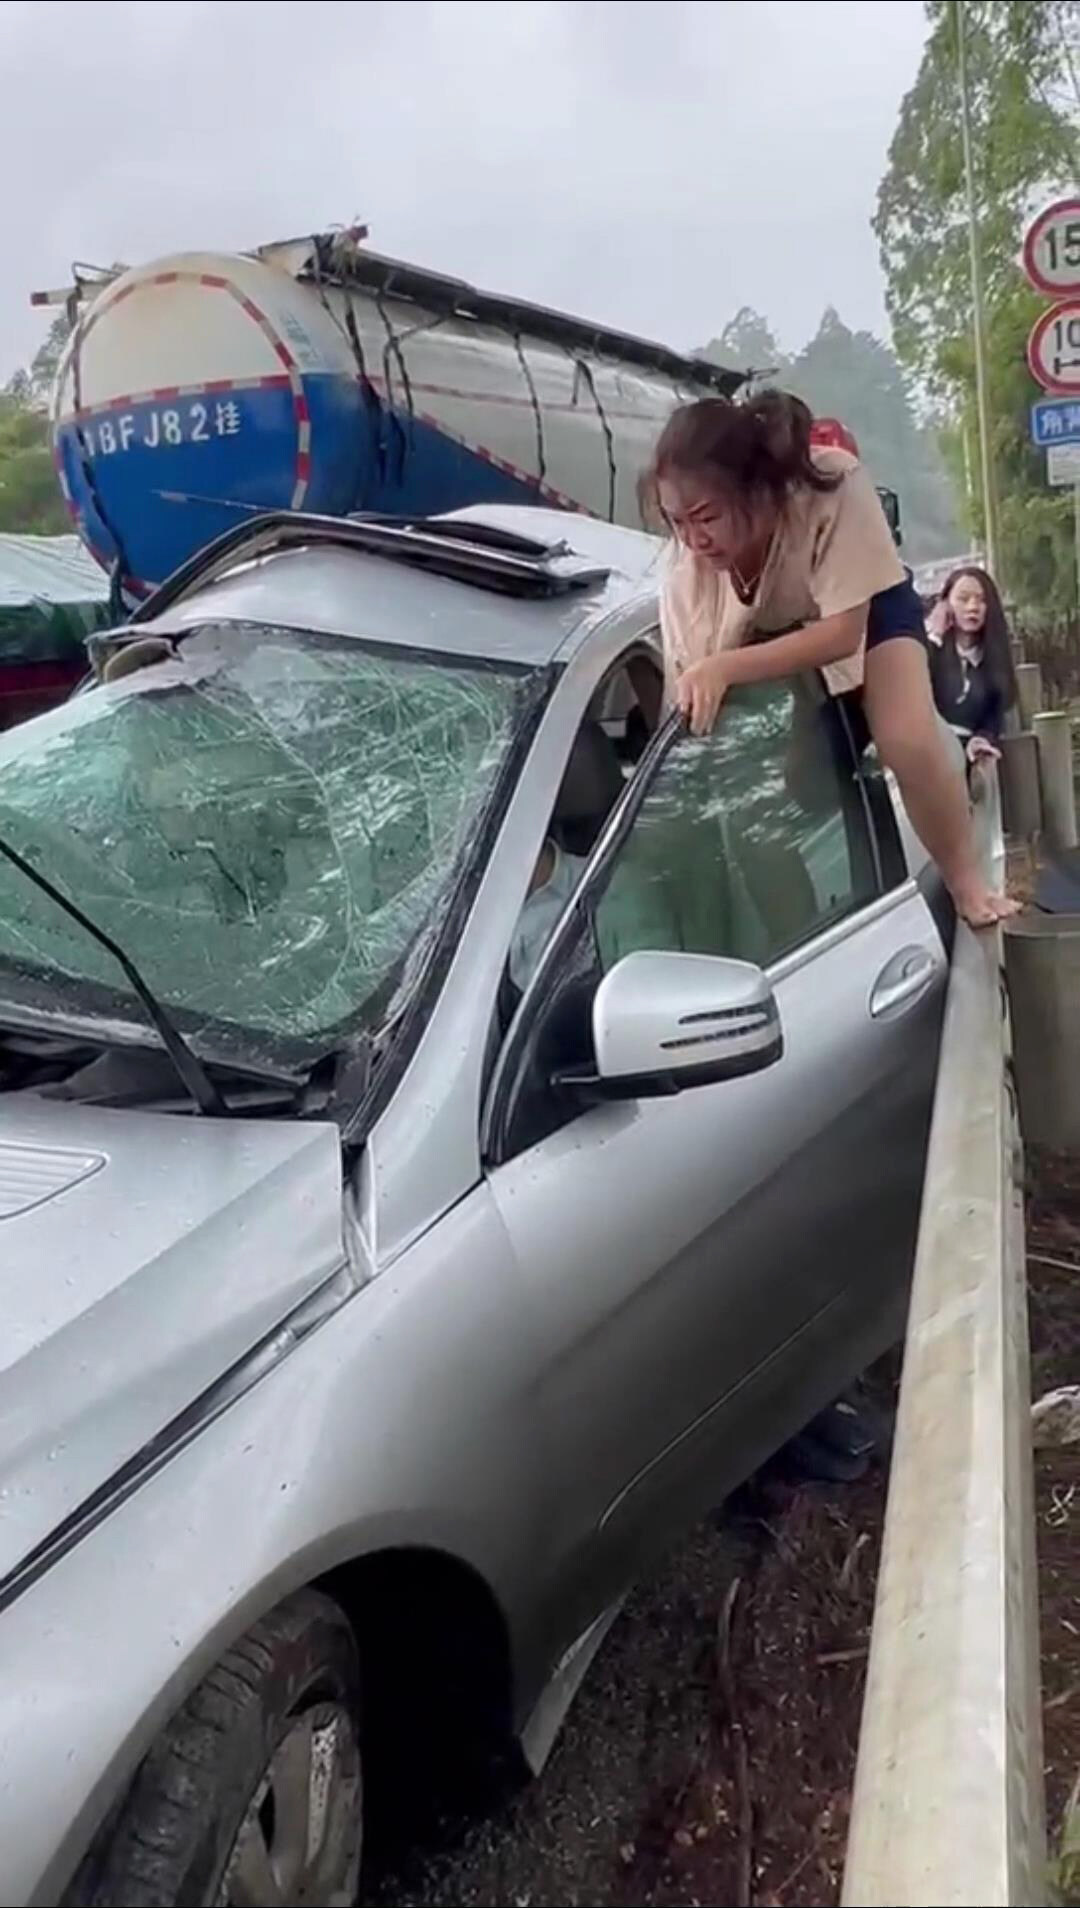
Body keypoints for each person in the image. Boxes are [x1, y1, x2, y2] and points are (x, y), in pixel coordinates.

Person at [644, 391, 1017, 926]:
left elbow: (843, 634)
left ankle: (967, 883)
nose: (694, 539)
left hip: (869, 605)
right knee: (776, 796)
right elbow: (687, 679)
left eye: (706, 518)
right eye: (676, 522)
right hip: (781, 631)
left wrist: (723, 668)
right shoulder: (687, 575)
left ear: (756, 489)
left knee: (904, 737)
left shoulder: (832, 483)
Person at [926, 565, 1016, 762]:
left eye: (981, 600)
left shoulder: (993, 660)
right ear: (945, 604)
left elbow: (993, 717)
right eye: (963, 599)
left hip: (964, 756)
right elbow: (910, 686)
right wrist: (935, 634)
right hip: (924, 749)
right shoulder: (930, 649)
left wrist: (982, 739)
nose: (973, 607)